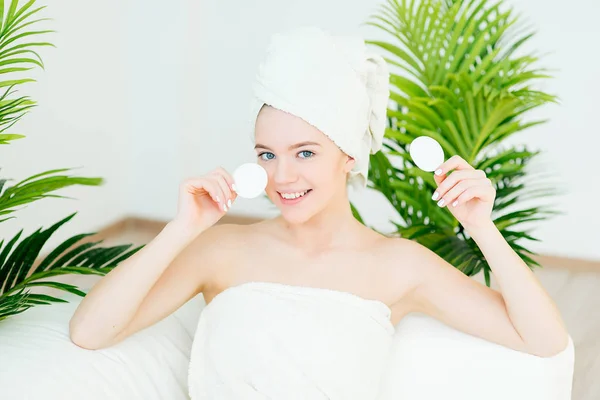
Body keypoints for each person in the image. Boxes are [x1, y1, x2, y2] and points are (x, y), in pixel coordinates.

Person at [69, 27, 569, 399]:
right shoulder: (221, 250)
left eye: (305, 153)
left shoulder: (399, 265)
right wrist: (182, 229)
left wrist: (481, 226)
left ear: (348, 156)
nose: (282, 176)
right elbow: (90, 332)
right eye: (267, 153)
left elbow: (545, 341)